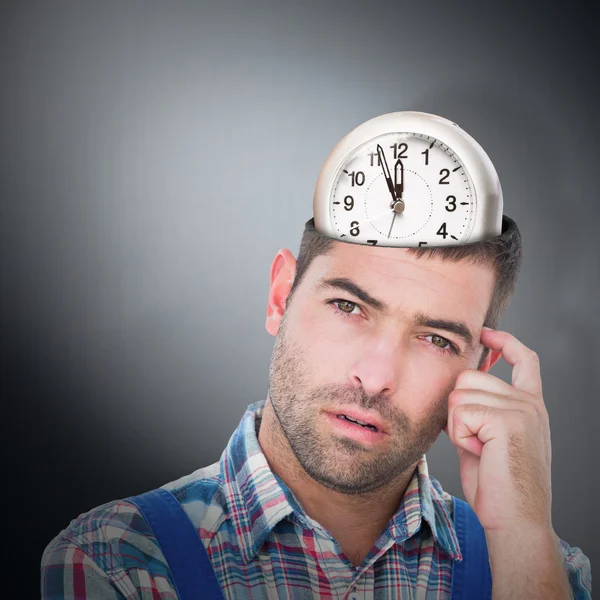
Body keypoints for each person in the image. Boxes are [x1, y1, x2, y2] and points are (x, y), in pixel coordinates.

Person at [41, 216, 591, 599]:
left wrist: (521, 534)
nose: (375, 378)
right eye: (348, 306)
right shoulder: (118, 561)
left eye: (436, 340)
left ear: (479, 374)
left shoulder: (546, 571)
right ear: (281, 296)